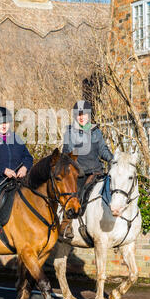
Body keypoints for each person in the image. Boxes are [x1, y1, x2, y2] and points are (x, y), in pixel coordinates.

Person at [0, 106, 33, 250]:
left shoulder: (16, 139)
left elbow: (28, 157)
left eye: (6, 122)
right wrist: (3, 170)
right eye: (0, 122)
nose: (4, 125)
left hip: (15, 179)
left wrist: (24, 167)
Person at [61, 100, 113, 239]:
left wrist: (113, 160)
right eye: (79, 114)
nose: (82, 117)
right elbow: (67, 153)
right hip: (79, 173)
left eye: (84, 114)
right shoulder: (70, 132)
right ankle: (66, 225)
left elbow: (103, 150)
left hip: (97, 171)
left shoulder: (96, 131)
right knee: (73, 195)